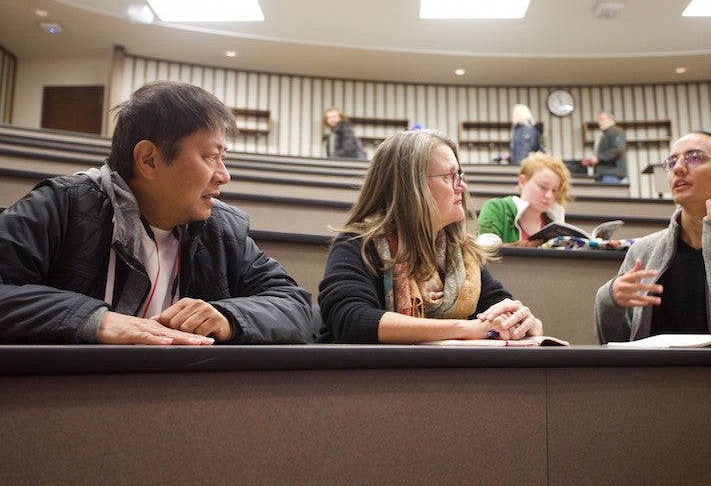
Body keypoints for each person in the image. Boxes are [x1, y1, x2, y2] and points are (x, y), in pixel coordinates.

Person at [0, 81, 313, 345]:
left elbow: (295, 306)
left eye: (223, 157)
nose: (224, 175)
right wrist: (95, 320)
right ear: (148, 159)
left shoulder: (221, 229)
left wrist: (229, 317)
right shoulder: (63, 205)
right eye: (210, 156)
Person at [316, 129, 544, 344]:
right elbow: (350, 319)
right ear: (411, 186)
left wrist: (523, 322)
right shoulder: (358, 243)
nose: (462, 186)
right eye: (450, 176)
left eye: (460, 175)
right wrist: (464, 329)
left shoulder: (461, 254)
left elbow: (499, 307)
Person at [594, 131, 711, 344]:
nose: (678, 168)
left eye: (694, 157)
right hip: (652, 375)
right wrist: (610, 299)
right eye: (671, 161)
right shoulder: (643, 251)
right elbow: (615, 346)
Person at [476, 152, 572, 248]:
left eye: (554, 190)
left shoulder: (555, 221)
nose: (549, 195)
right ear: (523, 182)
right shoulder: (496, 208)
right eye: (543, 187)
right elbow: (484, 251)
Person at [582, 110, 627, 183]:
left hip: (611, 174)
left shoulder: (617, 132)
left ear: (611, 120)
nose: (599, 122)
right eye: (599, 120)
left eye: (602, 119)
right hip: (600, 174)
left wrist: (598, 158)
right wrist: (592, 161)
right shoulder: (602, 136)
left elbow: (618, 149)